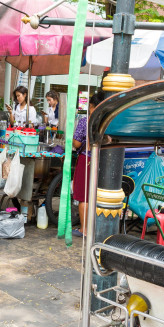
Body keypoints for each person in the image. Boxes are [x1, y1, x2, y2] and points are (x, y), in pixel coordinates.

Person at [72, 90, 106, 237]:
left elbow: (77, 143)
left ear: (92, 106)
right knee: (98, 195)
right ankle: (96, 228)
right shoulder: (108, 121)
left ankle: (84, 229)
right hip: (104, 160)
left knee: (83, 195)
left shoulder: (86, 121)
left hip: (87, 160)